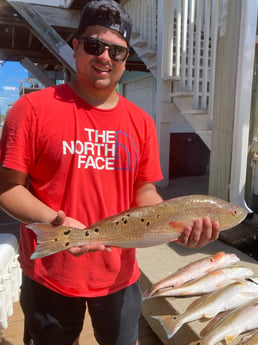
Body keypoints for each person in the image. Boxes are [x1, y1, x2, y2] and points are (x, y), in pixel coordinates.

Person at [0, 1, 220, 344]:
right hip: (50, 272)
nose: (105, 57)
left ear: (124, 57)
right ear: (75, 48)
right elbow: (9, 190)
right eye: (94, 46)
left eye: (116, 51)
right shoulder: (31, 109)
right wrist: (56, 221)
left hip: (119, 273)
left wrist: (175, 223)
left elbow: (144, 192)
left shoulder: (141, 121)